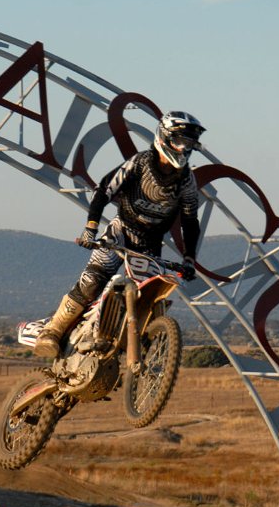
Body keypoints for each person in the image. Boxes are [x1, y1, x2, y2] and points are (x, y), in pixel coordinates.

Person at [35, 111, 205, 358]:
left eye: (189, 143)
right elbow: (104, 190)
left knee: (148, 297)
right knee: (94, 280)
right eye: (179, 141)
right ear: (165, 138)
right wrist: (91, 228)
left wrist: (189, 259)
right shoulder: (138, 164)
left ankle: (131, 353)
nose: (183, 148)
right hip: (120, 232)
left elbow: (190, 222)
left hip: (150, 244)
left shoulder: (187, 182)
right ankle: (52, 330)